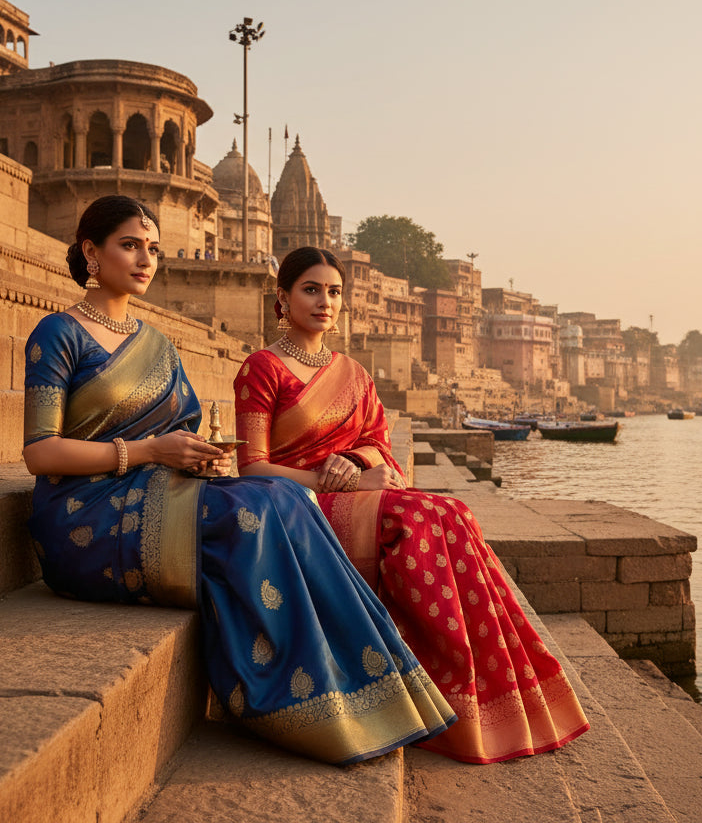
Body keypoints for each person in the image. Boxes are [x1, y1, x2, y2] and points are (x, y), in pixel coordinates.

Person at [22, 197, 454, 765]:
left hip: (156, 490)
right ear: (90, 252)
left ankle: (366, 680)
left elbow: (181, 432)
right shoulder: (57, 334)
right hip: (82, 514)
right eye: (129, 246)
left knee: (280, 494)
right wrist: (150, 449)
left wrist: (194, 457)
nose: (146, 259)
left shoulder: (157, 343)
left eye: (152, 248)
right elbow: (39, 453)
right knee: (245, 515)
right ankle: (284, 696)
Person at [233, 246, 590, 764]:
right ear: (282, 299)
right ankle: (443, 690)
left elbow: (378, 441)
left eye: (334, 292)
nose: (325, 301)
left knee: (457, 513)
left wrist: (355, 459)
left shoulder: (353, 374)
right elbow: (251, 467)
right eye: (311, 290)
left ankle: (481, 689)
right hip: (299, 503)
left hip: (353, 491)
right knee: (418, 518)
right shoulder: (261, 369)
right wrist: (330, 479)